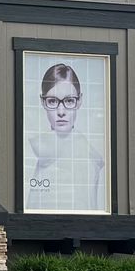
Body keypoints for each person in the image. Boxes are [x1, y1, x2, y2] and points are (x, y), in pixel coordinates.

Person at [26, 62, 106, 212]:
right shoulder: (34, 149)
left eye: (69, 100)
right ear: (42, 102)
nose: (61, 111)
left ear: (79, 101)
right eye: (52, 101)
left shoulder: (87, 157)